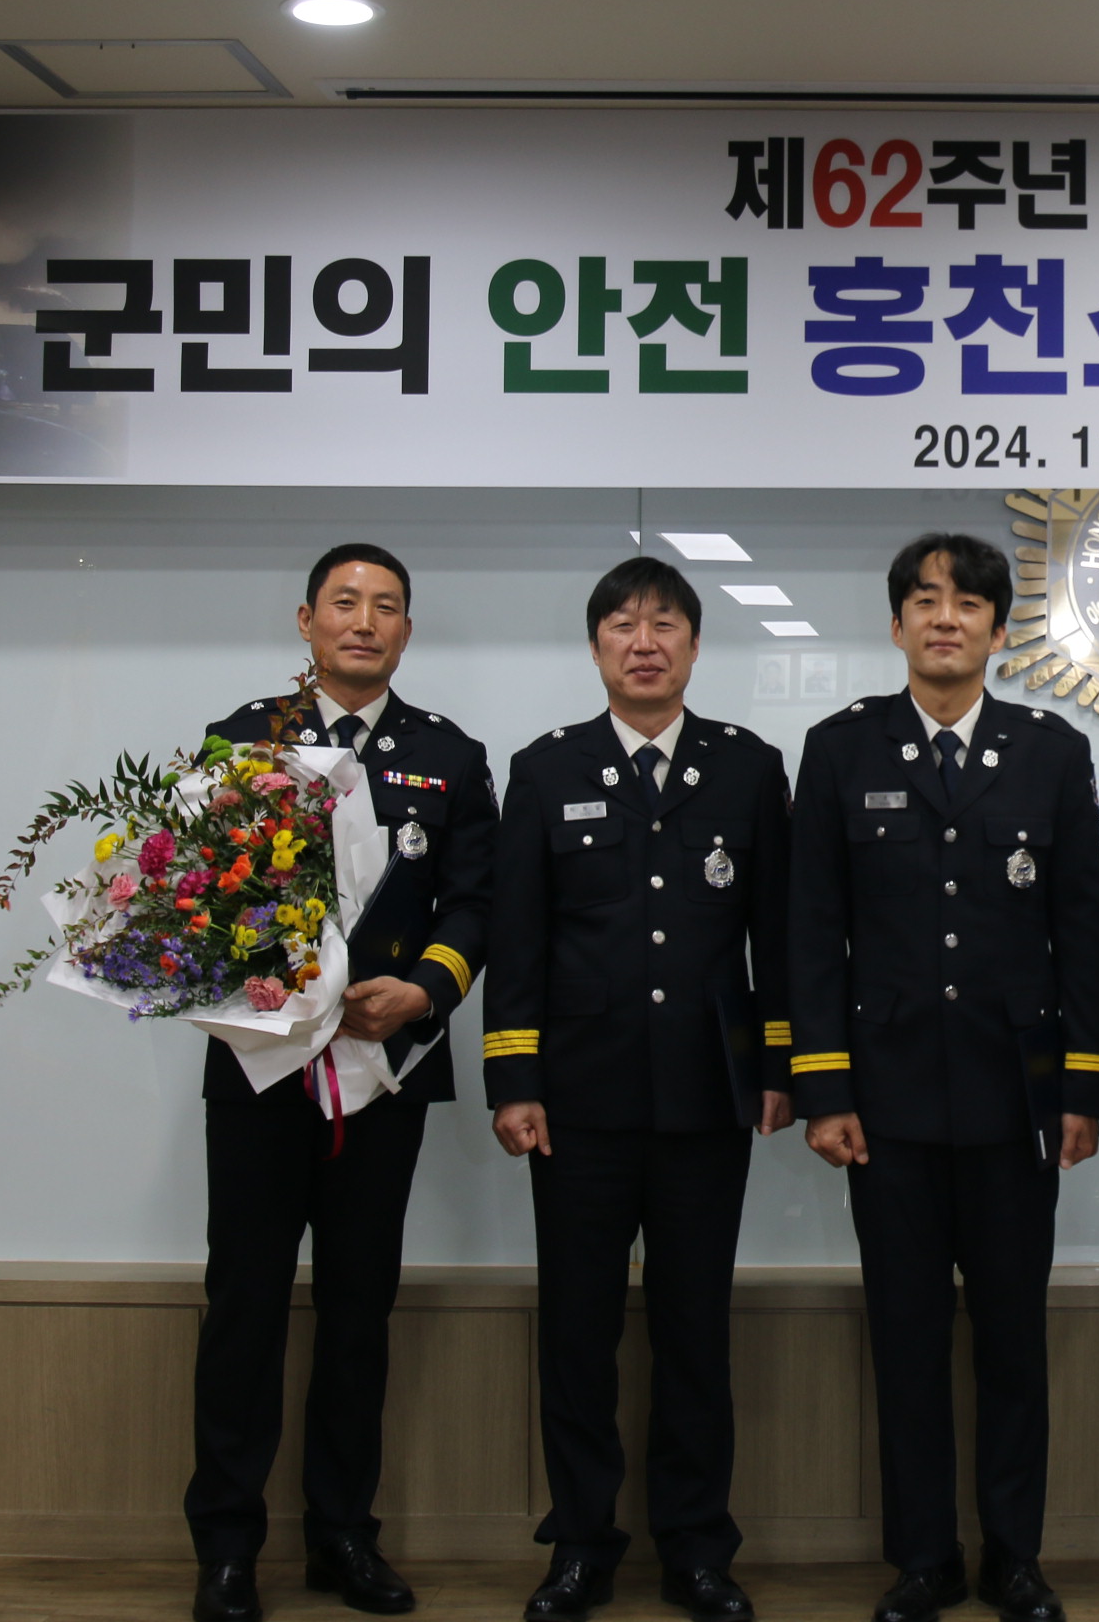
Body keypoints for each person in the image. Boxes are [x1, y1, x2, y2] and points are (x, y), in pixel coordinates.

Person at [787, 532, 1099, 1622]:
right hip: (883, 1102)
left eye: (969, 602)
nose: (945, 617)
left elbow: (1081, 928)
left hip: (1016, 1098)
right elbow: (811, 931)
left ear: (998, 629)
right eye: (925, 601)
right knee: (907, 1340)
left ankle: (1015, 1555)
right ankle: (923, 1557)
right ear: (896, 626)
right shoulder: (841, 748)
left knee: (1014, 1341)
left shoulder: (1051, 751)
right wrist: (825, 1089)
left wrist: (1083, 1089)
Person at [186, 544, 498, 1622]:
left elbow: (476, 902)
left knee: (360, 1309)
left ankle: (343, 1537)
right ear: (307, 620)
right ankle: (227, 1548)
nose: (365, 621)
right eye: (345, 603)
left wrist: (424, 989)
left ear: (407, 630)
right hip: (263, 1073)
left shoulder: (449, 755)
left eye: (387, 606)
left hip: (385, 1073)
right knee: (245, 1306)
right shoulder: (243, 740)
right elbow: (200, 897)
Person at [482, 556, 794, 1622]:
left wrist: (779, 1068)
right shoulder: (545, 768)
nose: (644, 642)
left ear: (696, 646)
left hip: (709, 1099)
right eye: (622, 624)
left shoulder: (747, 768)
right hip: (576, 1102)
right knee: (576, 1334)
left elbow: (778, 937)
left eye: (665, 625)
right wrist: (514, 1076)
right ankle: (580, 1544)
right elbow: (518, 938)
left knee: (694, 1333)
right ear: (596, 647)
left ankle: (697, 1548)